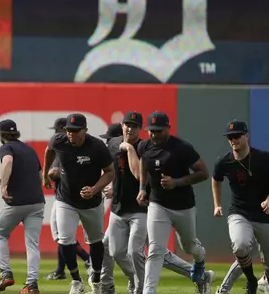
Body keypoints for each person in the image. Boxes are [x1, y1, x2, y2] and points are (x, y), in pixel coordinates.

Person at [100, 112, 214, 294]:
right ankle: (139, 287)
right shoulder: (122, 145)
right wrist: (138, 188)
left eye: (134, 126)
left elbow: (139, 173)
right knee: (146, 251)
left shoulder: (159, 147)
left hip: (157, 207)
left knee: (174, 248)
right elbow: (116, 166)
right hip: (138, 206)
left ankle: (140, 286)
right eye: (126, 125)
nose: (153, 134)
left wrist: (173, 182)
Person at [137, 111, 210, 294]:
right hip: (158, 204)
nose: (154, 135)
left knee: (189, 246)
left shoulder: (182, 148)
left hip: (183, 205)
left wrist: (176, 182)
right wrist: (142, 188)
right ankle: (149, 292)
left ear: (168, 129)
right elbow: (142, 164)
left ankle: (200, 260)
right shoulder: (145, 147)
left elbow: (203, 173)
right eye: (151, 131)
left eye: (159, 131)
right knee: (155, 250)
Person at [49, 113, 115, 294]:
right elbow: (49, 150)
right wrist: (45, 174)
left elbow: (110, 172)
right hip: (66, 199)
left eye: (75, 131)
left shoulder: (97, 146)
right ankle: (76, 281)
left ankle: (95, 278)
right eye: (68, 130)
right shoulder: (59, 141)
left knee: (95, 241)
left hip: (91, 202)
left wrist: (94, 189)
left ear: (85, 130)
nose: (71, 134)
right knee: (65, 239)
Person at [212, 120, 269, 294]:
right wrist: (217, 204)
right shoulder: (223, 161)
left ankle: (265, 281)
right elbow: (216, 179)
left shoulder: (263, 158)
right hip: (239, 212)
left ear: (246, 136)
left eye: (236, 136)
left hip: (264, 215)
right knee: (240, 245)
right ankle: (250, 281)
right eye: (230, 137)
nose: (233, 140)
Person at [0, 119, 45, 294]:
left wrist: (4, 186)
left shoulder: (6, 147)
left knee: (0, 234)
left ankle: (5, 273)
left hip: (17, 201)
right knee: (32, 244)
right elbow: (39, 174)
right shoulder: (29, 149)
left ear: (1, 134)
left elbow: (7, 161)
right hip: (37, 202)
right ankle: (32, 284)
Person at [43, 118, 91, 281]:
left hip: (65, 197)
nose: (56, 134)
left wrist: (51, 174)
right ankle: (60, 270)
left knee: (61, 235)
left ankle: (87, 259)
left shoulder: (63, 149)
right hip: (67, 196)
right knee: (64, 236)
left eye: (58, 130)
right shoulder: (64, 148)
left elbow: (57, 171)